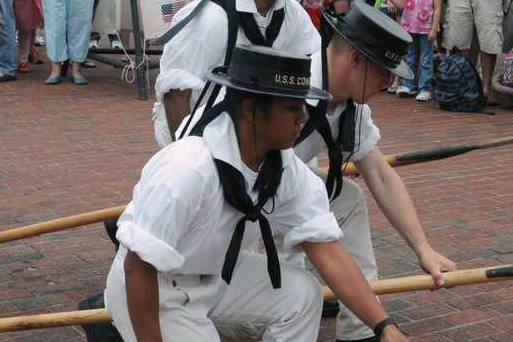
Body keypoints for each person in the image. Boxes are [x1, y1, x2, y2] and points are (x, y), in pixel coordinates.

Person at [107, 44, 409, 342]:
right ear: (251, 109)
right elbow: (137, 268)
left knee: (302, 294)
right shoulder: (187, 169)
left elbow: (328, 252)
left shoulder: (283, 166)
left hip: (215, 274)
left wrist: (385, 327)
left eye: (302, 107)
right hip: (152, 287)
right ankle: (121, 326)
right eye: (291, 108)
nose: (302, 118)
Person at [285, 3, 454, 341]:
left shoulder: (350, 103)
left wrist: (424, 250)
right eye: (384, 71)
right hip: (233, 205)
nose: (389, 82)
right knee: (285, 301)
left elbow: (381, 176)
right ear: (356, 60)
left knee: (346, 197)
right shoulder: (290, 88)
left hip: (281, 181)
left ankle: (359, 330)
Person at [153, 0, 320, 146]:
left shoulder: (291, 12)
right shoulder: (210, 19)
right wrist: (186, 157)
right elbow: (175, 95)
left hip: (249, 131)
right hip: (193, 129)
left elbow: (315, 62)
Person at [389, 0, 442, 101]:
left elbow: (437, 8)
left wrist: (434, 28)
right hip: (409, 27)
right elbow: (402, 5)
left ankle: (424, 88)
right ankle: (409, 85)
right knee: (410, 58)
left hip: (426, 29)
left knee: (426, 59)